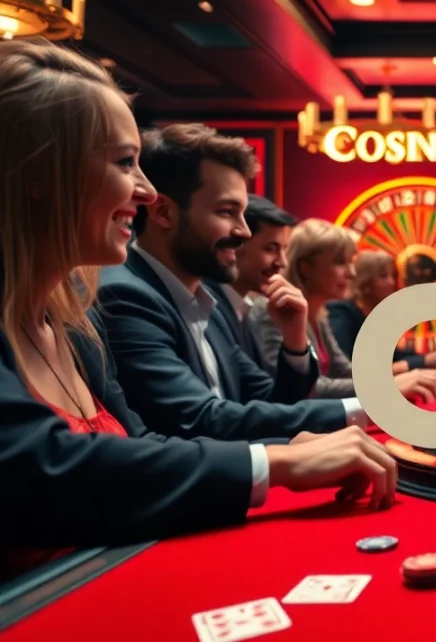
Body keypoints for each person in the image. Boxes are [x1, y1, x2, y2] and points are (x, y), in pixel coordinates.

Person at [0, 39, 395, 577]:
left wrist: (287, 446)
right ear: (38, 175)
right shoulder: (120, 296)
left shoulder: (77, 323)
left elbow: (144, 444)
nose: (144, 191)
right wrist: (275, 460)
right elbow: (46, 470)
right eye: (125, 163)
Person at [95, 123, 359, 441]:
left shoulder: (208, 300)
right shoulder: (125, 295)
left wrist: (294, 341)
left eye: (242, 214)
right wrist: (369, 408)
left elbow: (270, 401)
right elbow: (200, 419)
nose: (244, 231)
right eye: (226, 212)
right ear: (163, 212)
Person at [249, 219, 436, 402]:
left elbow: (344, 370)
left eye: (351, 262)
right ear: (306, 268)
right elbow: (299, 389)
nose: (352, 273)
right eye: (340, 263)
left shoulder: (320, 313)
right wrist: (387, 386)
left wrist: (405, 376)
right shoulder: (273, 310)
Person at [327, 249, 436, 374]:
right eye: (383, 276)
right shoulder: (340, 313)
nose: (392, 282)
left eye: (393, 276)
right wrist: (424, 361)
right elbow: (348, 371)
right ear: (365, 283)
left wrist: (434, 358)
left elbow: (393, 357)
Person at [206, 194, 295, 372]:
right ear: (235, 246)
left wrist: (295, 337)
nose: (282, 262)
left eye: (284, 250)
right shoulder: (208, 307)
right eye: (270, 249)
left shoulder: (240, 307)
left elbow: (266, 384)